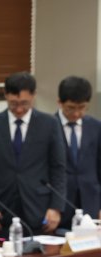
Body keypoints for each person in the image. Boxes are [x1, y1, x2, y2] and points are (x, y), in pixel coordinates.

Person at [0, 71, 67, 236]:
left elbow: (58, 168)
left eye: (24, 103)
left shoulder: (49, 124)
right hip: (1, 210)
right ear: (5, 95)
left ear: (34, 95)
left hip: (39, 209)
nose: (19, 109)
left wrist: (56, 207)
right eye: (13, 103)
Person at [55, 76, 101, 228]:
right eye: (70, 108)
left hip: (91, 203)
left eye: (81, 107)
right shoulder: (48, 126)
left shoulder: (96, 127)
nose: (76, 113)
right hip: (60, 205)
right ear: (59, 102)